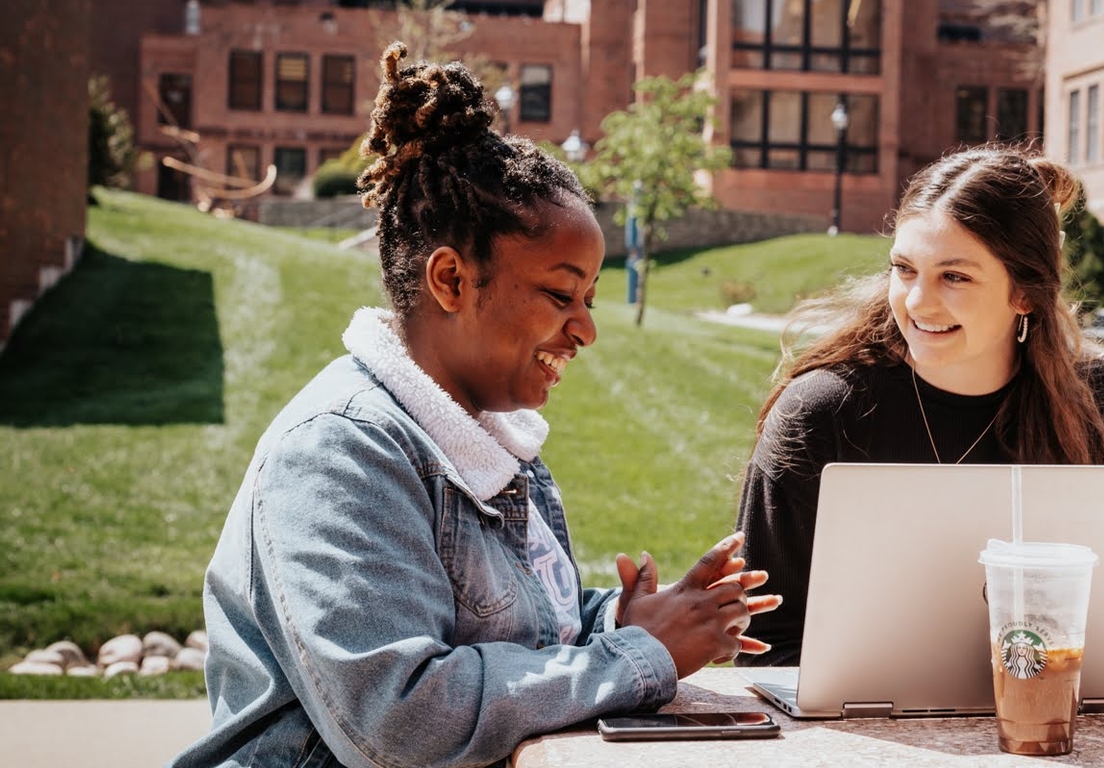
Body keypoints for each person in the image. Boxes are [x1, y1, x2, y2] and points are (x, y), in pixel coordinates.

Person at [171, 43, 776, 768]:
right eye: (561, 295)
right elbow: (402, 718)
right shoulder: (340, 450)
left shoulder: (489, 439)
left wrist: (618, 618)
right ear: (452, 280)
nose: (585, 329)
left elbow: (513, 638)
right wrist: (638, 656)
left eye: (588, 299)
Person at [733, 147, 1104, 700]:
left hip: (1062, 725)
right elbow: (763, 639)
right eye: (904, 269)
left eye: (954, 276)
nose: (917, 301)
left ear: (1025, 293)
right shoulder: (821, 414)